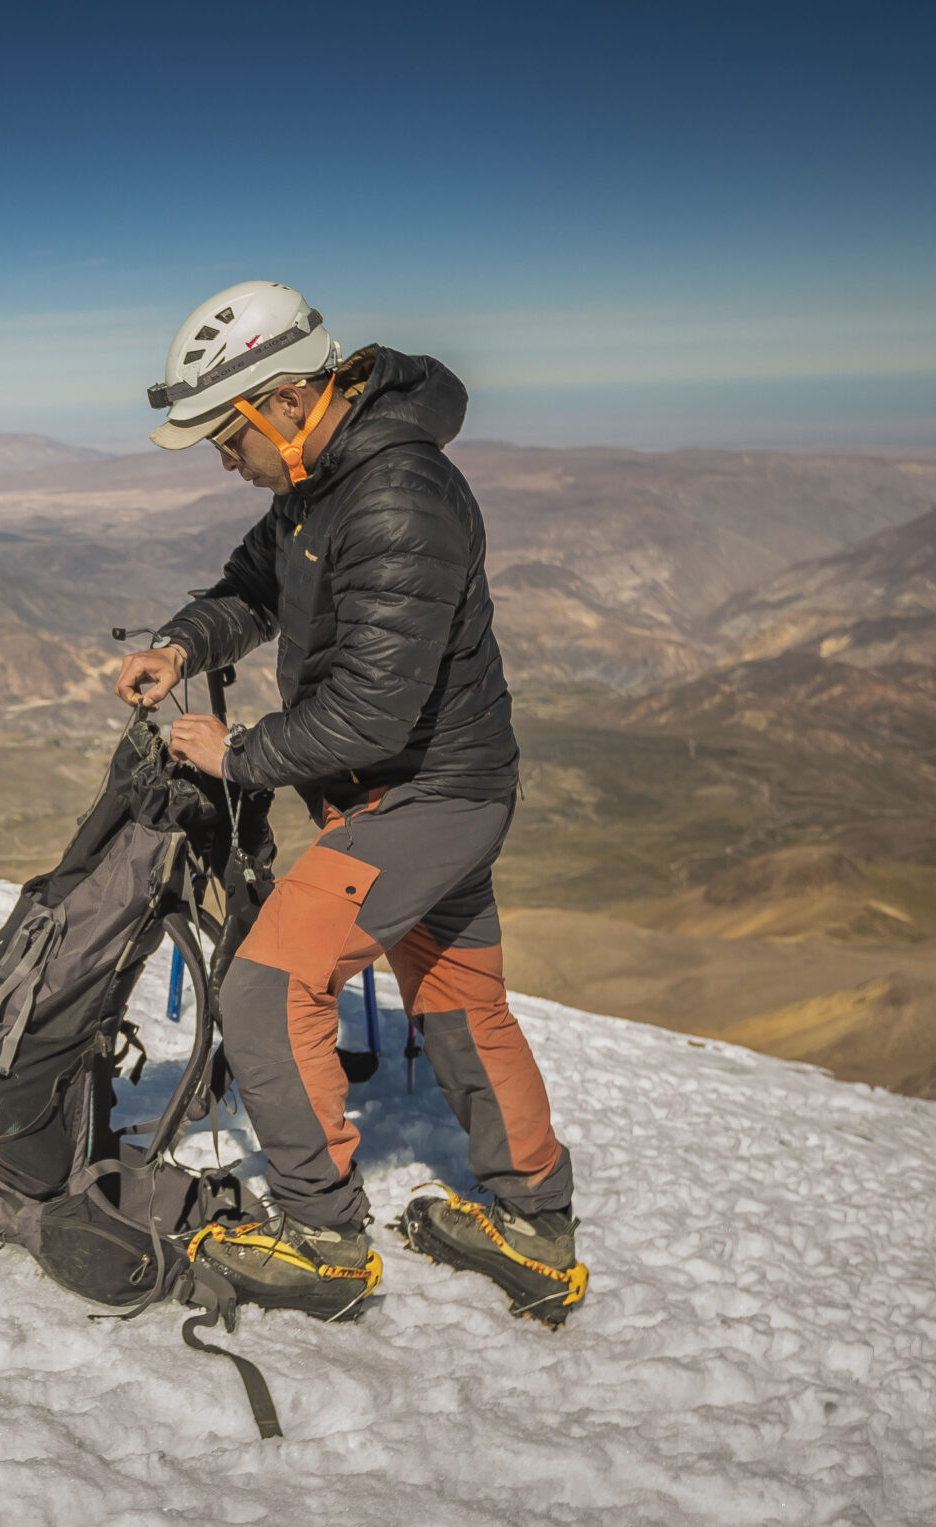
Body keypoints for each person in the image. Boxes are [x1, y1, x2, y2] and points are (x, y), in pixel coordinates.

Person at [116, 281, 585, 1323]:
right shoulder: (319, 481)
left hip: (420, 798)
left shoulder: (391, 495)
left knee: (266, 994)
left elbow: (374, 712)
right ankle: (534, 1226)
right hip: (434, 791)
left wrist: (235, 757)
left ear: (283, 401)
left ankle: (320, 1239)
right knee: (460, 1002)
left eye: (221, 432)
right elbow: (253, 588)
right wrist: (180, 644)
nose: (216, 457)